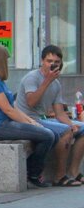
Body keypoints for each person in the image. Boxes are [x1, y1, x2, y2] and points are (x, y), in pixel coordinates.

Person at [0, 44, 55, 189]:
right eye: (6, 59)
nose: (7, 62)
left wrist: (30, 121)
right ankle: (32, 173)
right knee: (48, 135)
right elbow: (8, 110)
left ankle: (29, 169)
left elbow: (13, 108)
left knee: (47, 133)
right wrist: (32, 124)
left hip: (7, 123)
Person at [17, 44, 84, 186]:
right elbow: (31, 102)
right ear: (42, 61)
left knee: (81, 128)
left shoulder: (56, 84)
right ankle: (59, 176)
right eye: (49, 61)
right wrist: (47, 81)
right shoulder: (32, 78)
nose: (52, 65)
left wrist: (71, 124)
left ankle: (73, 172)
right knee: (66, 132)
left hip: (43, 119)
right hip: (27, 120)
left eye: (56, 62)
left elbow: (59, 113)